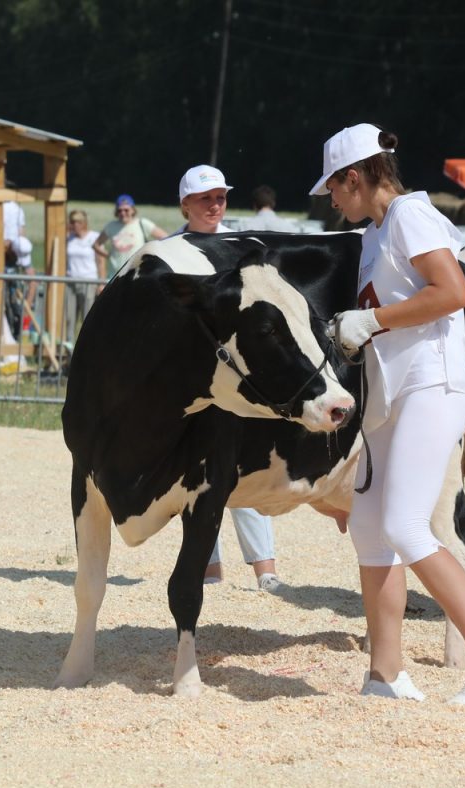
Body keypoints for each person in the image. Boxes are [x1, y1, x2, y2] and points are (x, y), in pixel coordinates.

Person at [317, 123, 465, 706]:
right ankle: (386, 674)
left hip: (433, 386)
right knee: (368, 525)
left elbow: (453, 292)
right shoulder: (374, 234)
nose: (330, 199)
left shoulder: (411, 215)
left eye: (333, 188)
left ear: (354, 178)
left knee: (406, 525)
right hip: (395, 393)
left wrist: (374, 321)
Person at [174, 164, 282, 591]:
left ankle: (266, 571)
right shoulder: (170, 251)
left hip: (239, 380)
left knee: (243, 471)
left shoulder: (244, 247)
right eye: (205, 198)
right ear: (185, 204)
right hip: (191, 382)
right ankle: (209, 569)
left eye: (220, 197)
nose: (215, 205)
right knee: (195, 477)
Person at [93, 194, 167, 280]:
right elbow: (96, 245)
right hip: (114, 277)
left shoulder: (142, 223)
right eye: (120, 210)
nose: (123, 213)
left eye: (126, 210)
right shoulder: (111, 226)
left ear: (133, 210)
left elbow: (165, 237)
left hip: (137, 276)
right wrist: (109, 255)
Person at [64, 209, 101, 344]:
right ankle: (69, 349)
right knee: (69, 318)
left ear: (84, 223)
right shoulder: (68, 238)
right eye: (72, 221)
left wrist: (101, 283)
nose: (74, 225)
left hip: (88, 282)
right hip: (70, 281)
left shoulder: (94, 237)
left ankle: (87, 345)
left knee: (87, 318)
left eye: (77, 222)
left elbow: (100, 261)